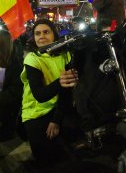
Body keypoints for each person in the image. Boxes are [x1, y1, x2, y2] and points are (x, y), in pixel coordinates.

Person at [20, 19, 79, 167]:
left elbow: (67, 92)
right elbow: (40, 95)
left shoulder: (66, 55)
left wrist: (56, 120)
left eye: (46, 32)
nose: (41, 36)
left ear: (54, 34)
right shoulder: (32, 58)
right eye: (37, 33)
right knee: (45, 160)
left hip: (58, 108)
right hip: (35, 112)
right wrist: (60, 81)